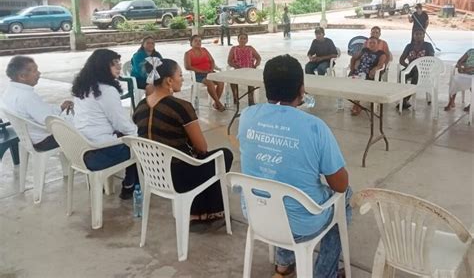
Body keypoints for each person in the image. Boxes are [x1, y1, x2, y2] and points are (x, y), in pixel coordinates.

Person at [238, 54, 351, 278]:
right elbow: (339, 184)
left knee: (276, 182)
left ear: (266, 87)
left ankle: (283, 263)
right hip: (302, 226)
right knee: (345, 198)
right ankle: (324, 273)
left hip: (256, 213)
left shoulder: (247, 116)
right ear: (302, 89)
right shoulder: (314, 127)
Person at [133, 57, 233, 231]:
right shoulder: (181, 107)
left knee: (202, 160)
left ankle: (199, 210)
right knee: (222, 156)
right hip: (179, 176)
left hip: (152, 173)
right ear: (169, 81)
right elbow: (202, 147)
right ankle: (206, 213)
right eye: (180, 75)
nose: (183, 79)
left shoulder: (140, 107)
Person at [72, 49, 139, 199]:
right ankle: (130, 185)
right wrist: (138, 135)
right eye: (114, 64)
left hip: (80, 148)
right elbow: (121, 124)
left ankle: (128, 183)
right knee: (139, 145)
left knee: (126, 136)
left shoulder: (83, 86)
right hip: (99, 153)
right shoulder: (107, 90)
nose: (119, 67)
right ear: (102, 67)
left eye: (118, 63)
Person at [2, 56, 73, 151]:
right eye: (35, 71)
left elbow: (42, 112)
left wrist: (60, 108)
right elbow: (48, 120)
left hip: (28, 137)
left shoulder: (10, 91)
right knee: (84, 130)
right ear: (22, 76)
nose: (39, 73)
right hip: (43, 140)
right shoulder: (26, 96)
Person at [184, 35, 226, 112]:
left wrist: (211, 69)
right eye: (196, 41)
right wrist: (201, 71)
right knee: (209, 83)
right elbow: (188, 67)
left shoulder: (204, 50)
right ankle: (218, 103)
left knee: (221, 82)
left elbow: (212, 61)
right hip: (197, 74)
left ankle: (216, 103)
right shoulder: (188, 53)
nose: (198, 42)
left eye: (199, 41)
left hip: (209, 72)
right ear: (191, 43)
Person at [349, 37, 386, 115]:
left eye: (374, 43)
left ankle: (356, 105)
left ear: (378, 44)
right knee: (352, 82)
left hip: (369, 74)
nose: (372, 44)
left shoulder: (381, 54)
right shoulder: (364, 50)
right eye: (370, 43)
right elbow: (354, 58)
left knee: (359, 83)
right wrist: (352, 69)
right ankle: (357, 104)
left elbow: (380, 65)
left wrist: (375, 69)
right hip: (358, 72)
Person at [399, 29, 435, 109]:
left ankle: (405, 99)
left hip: (424, 70)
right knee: (402, 74)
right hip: (411, 68)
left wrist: (421, 66)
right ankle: (402, 95)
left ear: (424, 35)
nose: (418, 36)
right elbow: (401, 59)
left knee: (416, 75)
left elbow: (431, 59)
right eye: (416, 34)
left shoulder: (428, 46)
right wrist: (408, 66)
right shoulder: (409, 46)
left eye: (420, 34)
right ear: (413, 36)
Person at [227, 33, 261, 105]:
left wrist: (255, 66)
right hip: (238, 70)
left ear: (247, 40)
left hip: (249, 70)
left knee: (251, 80)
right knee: (231, 79)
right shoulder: (234, 49)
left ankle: (250, 98)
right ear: (238, 39)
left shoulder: (250, 48)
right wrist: (236, 67)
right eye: (241, 38)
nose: (242, 40)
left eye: (244, 38)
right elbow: (229, 61)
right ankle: (235, 97)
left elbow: (258, 58)